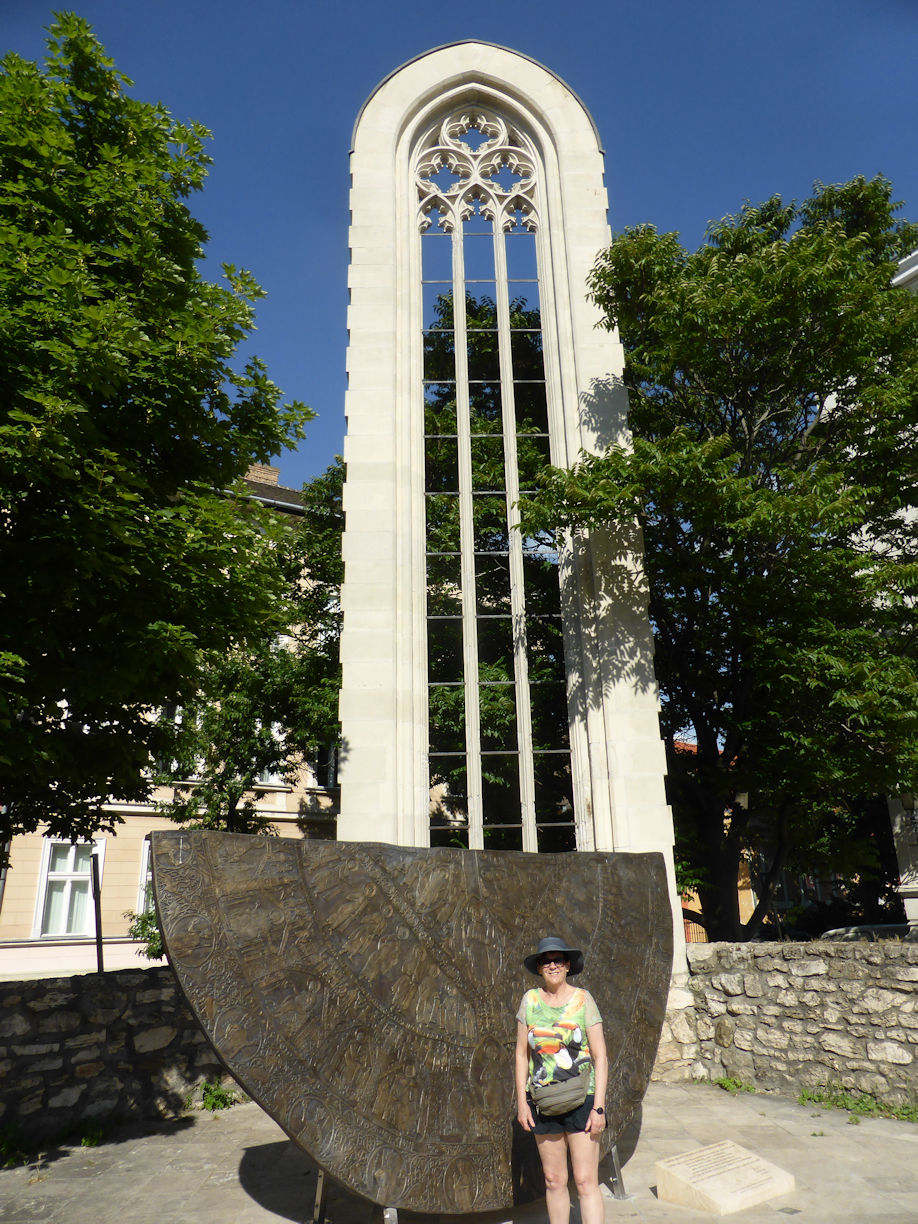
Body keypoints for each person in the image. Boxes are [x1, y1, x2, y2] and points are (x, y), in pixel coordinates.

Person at [515, 935, 608, 1224]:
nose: (552, 965)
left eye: (557, 960)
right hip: (544, 1101)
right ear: (539, 967)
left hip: (583, 1101)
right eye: (546, 960)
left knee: (584, 1181)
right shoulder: (529, 1001)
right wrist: (522, 1102)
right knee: (554, 1180)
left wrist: (599, 1108)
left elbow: (600, 1057)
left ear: (568, 965)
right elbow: (521, 1056)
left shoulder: (583, 1000)